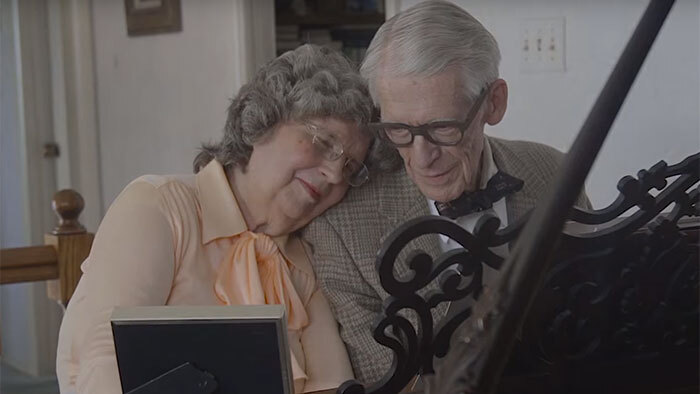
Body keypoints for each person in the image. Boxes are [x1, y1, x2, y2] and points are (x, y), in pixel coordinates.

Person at [56, 44, 375, 394]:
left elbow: (332, 387)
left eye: (349, 167)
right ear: (261, 121)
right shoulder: (160, 208)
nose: (333, 173)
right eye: (323, 141)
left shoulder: (304, 260)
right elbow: (103, 362)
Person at [302, 1, 592, 384]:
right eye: (399, 130)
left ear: (494, 102)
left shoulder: (555, 173)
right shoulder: (341, 229)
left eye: (443, 127)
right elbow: (384, 383)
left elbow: (593, 317)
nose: (422, 158)